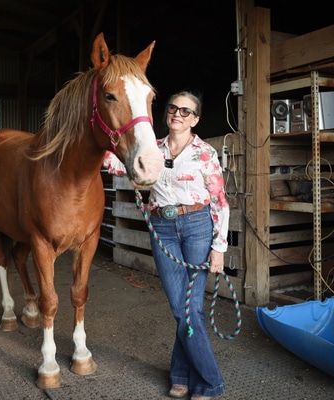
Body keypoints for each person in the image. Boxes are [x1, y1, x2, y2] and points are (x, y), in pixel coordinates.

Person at [104, 91, 229, 399]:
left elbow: (220, 202)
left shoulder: (205, 154)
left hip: (198, 226)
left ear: (195, 119)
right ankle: (197, 377)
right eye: (174, 108)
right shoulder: (152, 150)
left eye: (186, 111)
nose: (178, 114)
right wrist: (105, 144)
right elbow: (118, 166)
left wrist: (219, 247)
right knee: (182, 308)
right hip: (162, 226)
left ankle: (198, 380)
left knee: (190, 309)